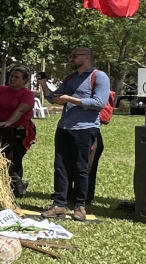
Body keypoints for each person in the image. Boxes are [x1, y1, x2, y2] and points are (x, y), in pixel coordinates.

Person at [40, 48, 109, 221]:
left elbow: (99, 103)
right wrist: (44, 85)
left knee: (80, 168)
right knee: (60, 167)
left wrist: (70, 99)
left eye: (74, 56)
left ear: (86, 57)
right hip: (64, 128)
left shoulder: (99, 76)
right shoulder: (70, 78)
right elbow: (54, 97)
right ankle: (59, 205)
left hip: (86, 129)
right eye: (70, 56)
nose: (71, 59)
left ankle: (80, 206)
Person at [0, 66, 37, 194]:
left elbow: (20, 110)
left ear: (24, 80)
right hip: (2, 129)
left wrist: (8, 122)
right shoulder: (0, 90)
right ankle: (10, 185)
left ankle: (17, 187)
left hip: (20, 130)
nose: (12, 79)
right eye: (11, 76)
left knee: (14, 159)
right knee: (0, 158)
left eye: (17, 77)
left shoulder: (27, 94)